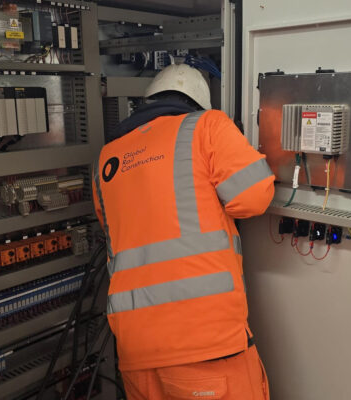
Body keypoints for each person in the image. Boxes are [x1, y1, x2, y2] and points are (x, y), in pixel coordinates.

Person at [92, 63, 275, 400]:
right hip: (204, 343)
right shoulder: (207, 126)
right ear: (197, 103)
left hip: (136, 351)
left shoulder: (107, 157)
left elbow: (113, 228)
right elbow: (254, 196)